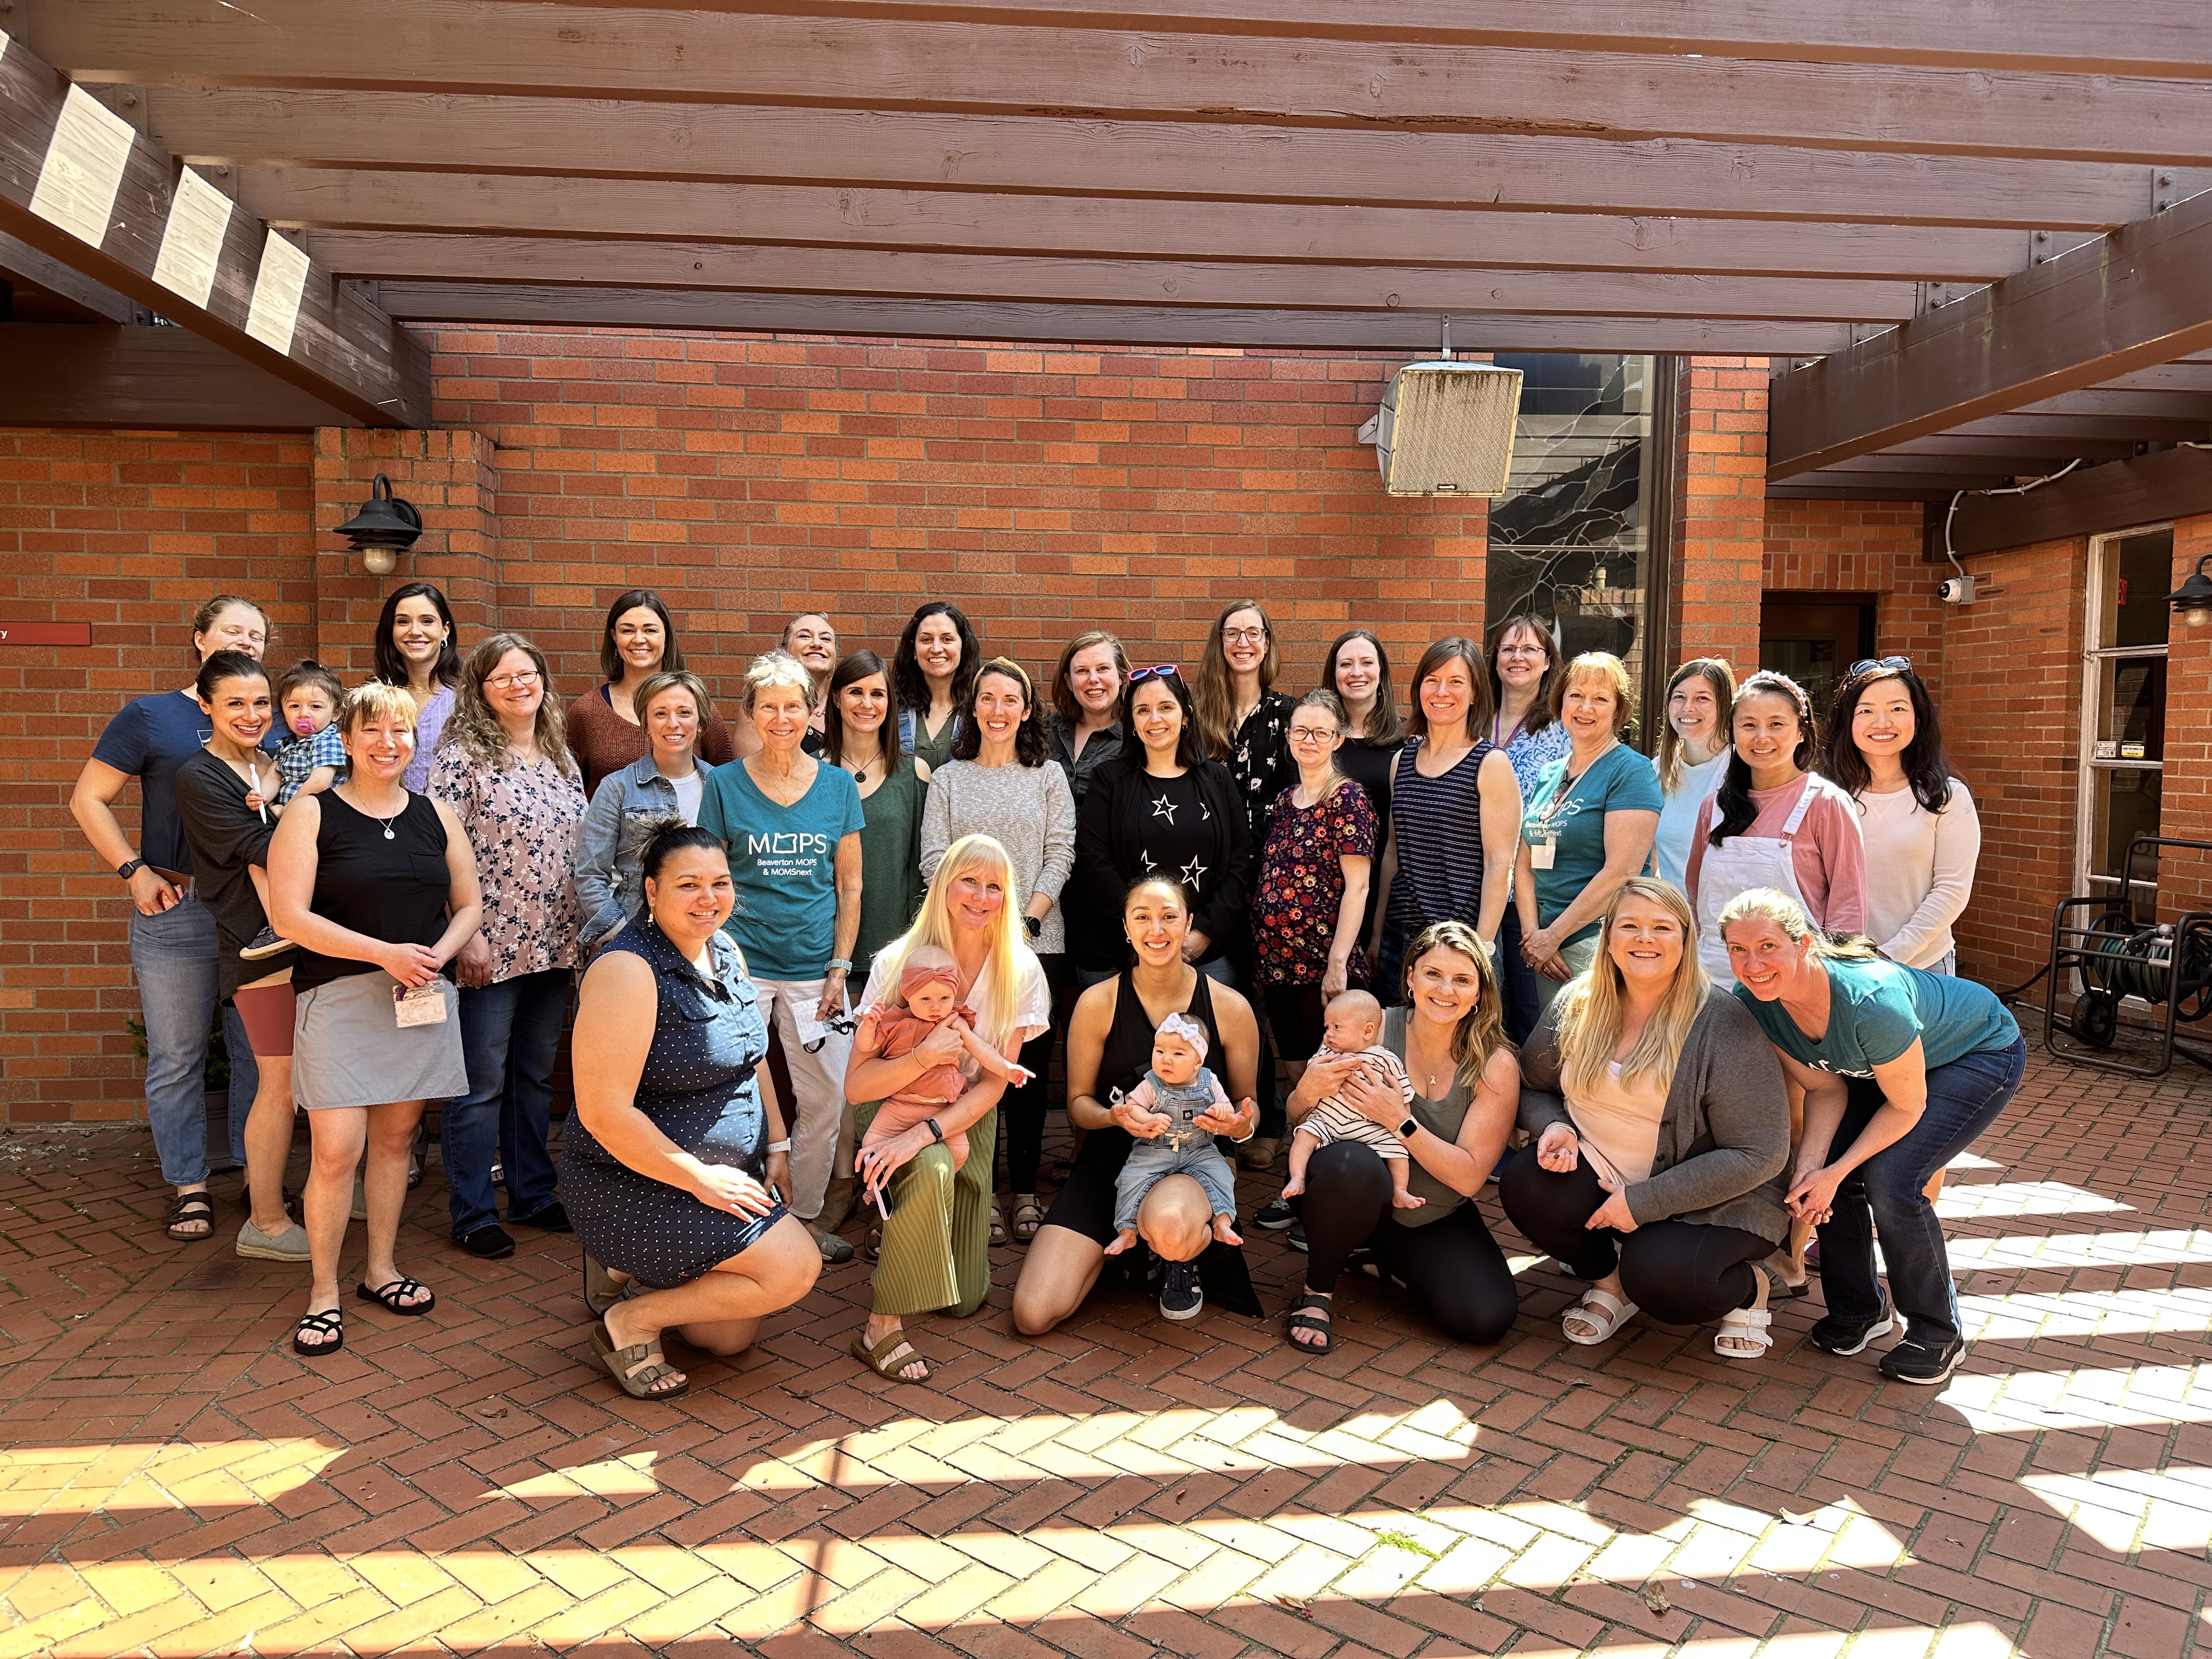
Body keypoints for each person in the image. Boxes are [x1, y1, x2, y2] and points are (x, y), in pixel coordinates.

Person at [1720, 888, 2026, 1385]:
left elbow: (1907, 1106)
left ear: (1803, 944)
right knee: (1827, 1177)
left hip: (1975, 1054)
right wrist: (1813, 1170)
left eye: (1768, 946)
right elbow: (1824, 1088)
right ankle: (1860, 1310)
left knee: (1893, 1181)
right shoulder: (1757, 1001)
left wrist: (1836, 1171)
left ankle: (1937, 1332)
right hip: (1877, 1069)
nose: (1753, 964)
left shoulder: (1871, 1000)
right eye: (1739, 949)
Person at [563, 820, 822, 1398]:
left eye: (720, 883)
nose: (708, 898)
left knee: (725, 1339)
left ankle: (624, 1272)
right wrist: (701, 1180)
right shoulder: (626, 970)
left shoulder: (725, 950)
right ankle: (630, 1320)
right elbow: (604, 1113)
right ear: (652, 891)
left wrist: (777, 1144)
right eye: (688, 885)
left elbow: (753, 1056)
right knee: (793, 1268)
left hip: (712, 1178)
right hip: (636, 1182)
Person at [267, 682, 482, 1357]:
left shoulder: (435, 814)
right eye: (373, 731)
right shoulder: (313, 813)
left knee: (396, 1141)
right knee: (336, 1151)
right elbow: (289, 917)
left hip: (417, 997)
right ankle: (323, 1293)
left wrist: (438, 956)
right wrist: (382, 953)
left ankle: (381, 1270)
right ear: (347, 739)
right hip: (338, 997)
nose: (388, 744)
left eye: (401, 732)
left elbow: (470, 905)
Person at [1501, 878, 1792, 1360]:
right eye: (1629, 926)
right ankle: (1611, 1283)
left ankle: (1749, 1287)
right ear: (1608, 936)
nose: (1644, 939)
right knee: (1526, 1182)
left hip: (1711, 1200)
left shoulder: (1721, 1022)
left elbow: (1760, 1152)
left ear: (1686, 939)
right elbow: (1533, 1085)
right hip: (1604, 1173)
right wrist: (1557, 1126)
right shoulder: (1577, 1002)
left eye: (1662, 927)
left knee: (1664, 1280)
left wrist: (1644, 1202)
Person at [70, 594, 269, 1242]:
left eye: (257, 635)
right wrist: (134, 870)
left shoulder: (269, 718)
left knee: (258, 1053)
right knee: (178, 1055)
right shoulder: (151, 717)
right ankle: (189, 1187)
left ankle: (257, 1177)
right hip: (175, 906)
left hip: (255, 910)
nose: (246, 642)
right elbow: (89, 799)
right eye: (232, 630)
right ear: (199, 639)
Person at [844, 836, 1055, 1383]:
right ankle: (881, 1327)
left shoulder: (1020, 971)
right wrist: (921, 1059)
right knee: (933, 1167)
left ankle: (899, 1220)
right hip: (893, 1104)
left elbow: (994, 1086)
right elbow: (858, 1087)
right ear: (943, 884)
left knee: (963, 1300)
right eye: (969, 881)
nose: (981, 897)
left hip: (966, 1112)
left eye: (995, 886)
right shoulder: (898, 962)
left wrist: (926, 1132)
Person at [1012, 877, 1262, 1334]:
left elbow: (1251, 1109)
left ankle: (1173, 1252)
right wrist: (1112, 1116)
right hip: (1113, 1158)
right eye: (1142, 917)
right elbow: (1078, 1104)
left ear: (1188, 923)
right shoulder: (1098, 1002)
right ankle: (1134, 1245)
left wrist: (1238, 1126)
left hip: (1191, 1159)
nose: (1156, 929)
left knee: (1171, 1226)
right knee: (1033, 1314)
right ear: (1126, 928)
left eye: (1169, 917)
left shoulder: (1230, 1007)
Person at [1281, 921, 1520, 1355]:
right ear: (1410, 977)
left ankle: (1388, 1260)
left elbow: (1469, 1179)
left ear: (1479, 994)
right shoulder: (1369, 1028)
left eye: (1462, 980)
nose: (1445, 990)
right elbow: (1298, 1119)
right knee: (1351, 1165)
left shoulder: (1495, 1063)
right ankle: (1318, 1291)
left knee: (1485, 1318)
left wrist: (1400, 1121)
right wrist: (1306, 1091)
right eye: (1433, 974)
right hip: (1351, 1192)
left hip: (1431, 1213)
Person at [697, 651, 865, 1262]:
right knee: (729, 1093)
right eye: (768, 706)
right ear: (751, 713)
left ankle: (803, 1218)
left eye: (792, 705)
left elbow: (849, 885)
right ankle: (736, 1219)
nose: (781, 717)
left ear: (811, 711)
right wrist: (716, 961)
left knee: (826, 1097)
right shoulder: (724, 785)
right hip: (742, 967)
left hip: (817, 971)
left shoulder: (838, 786)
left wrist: (840, 968)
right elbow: (711, 880)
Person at [428, 633, 589, 1259]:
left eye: (528, 674)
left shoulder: (558, 753)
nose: (519, 686)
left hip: (555, 943)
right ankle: (472, 1212)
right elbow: (442, 849)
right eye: (502, 678)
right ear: (481, 690)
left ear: (543, 681)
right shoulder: (461, 755)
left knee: (533, 1076)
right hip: (489, 945)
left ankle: (531, 1193)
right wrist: (464, 934)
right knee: (480, 1083)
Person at [920, 657, 1076, 1244]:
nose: (998, 710)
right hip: (961, 943)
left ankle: (1026, 1190)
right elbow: (934, 859)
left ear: (1028, 710)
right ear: (973, 707)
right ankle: (979, 1186)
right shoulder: (949, 779)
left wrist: (1025, 922)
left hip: (1037, 941)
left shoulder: (1048, 777)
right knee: (967, 1066)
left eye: (1011, 699)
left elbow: (1060, 852)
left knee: (1023, 1070)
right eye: (987, 698)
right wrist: (975, 921)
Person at [171, 651, 306, 1263]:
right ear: (205, 706)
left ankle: (335, 1192)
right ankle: (266, 1222)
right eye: (235, 703)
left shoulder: (275, 762)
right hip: (259, 949)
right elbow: (262, 846)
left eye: (260, 703)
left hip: (315, 943)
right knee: (278, 1085)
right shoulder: (199, 777)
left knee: (322, 1080)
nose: (252, 715)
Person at [1070, 667, 1251, 986]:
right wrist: (1145, 930)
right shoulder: (1109, 779)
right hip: (1121, 952)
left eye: (1166, 707)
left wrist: (1202, 933)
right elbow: (1094, 862)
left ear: (1186, 716)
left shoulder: (1217, 779)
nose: (1155, 719)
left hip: (1205, 954)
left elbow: (1240, 862)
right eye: (1143, 710)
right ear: (1132, 723)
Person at [1367, 639, 1522, 1000]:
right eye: (1432, 680)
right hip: (1400, 938)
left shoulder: (1490, 764)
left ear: (1474, 693)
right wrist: (1376, 935)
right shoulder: (1402, 761)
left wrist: (1481, 950)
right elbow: (1392, 854)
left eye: (1456, 682)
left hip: (1460, 941)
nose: (1441, 692)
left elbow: (1500, 864)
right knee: (1396, 1032)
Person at [1512, 652, 1662, 1023]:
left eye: (1600, 699)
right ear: (1560, 701)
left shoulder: (1631, 771)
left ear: (1619, 710)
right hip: (1546, 950)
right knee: (1559, 1051)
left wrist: (1554, 936)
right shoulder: (1551, 773)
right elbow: (1525, 862)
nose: (1585, 708)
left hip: (1601, 945)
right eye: (1576, 695)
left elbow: (1623, 871)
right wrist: (1534, 935)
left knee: (1601, 1051)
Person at [1686, 672, 1866, 978]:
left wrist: (1838, 982)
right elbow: (1694, 898)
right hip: (1713, 979)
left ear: (1801, 732)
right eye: (1748, 725)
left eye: (1776, 724)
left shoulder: (1826, 803)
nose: (1762, 737)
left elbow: (1848, 908)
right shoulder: (1714, 806)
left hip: (1794, 984)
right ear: (1733, 732)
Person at [1824, 659, 1982, 975]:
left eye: (1897, 709)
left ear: (1918, 719)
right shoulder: (1825, 797)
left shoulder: (1947, 797)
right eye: (1866, 711)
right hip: (1838, 965)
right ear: (1847, 722)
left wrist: (1890, 954)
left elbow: (1951, 890)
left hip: (1923, 967)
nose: (1882, 722)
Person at [1250, 690, 1375, 1070]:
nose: (1310, 740)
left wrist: (1338, 964)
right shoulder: (1285, 800)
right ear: (1288, 736)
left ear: (1337, 739)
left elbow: (1359, 887)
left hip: (1322, 965)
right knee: (1296, 1071)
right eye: (1301, 731)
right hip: (1277, 964)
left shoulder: (1347, 799)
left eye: (1321, 732)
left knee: (1333, 1075)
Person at [574, 669, 718, 957]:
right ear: (646, 724)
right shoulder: (617, 788)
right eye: (660, 714)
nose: (673, 723)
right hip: (637, 937)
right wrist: (625, 938)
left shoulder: (721, 785)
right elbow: (590, 876)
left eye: (684, 712)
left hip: (709, 940)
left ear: (701, 722)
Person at [855, 944, 1034, 1174]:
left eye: (945, 998)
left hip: (943, 1108)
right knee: (871, 1144)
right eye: (926, 998)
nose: (936, 1006)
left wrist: (1007, 1069)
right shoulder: (895, 1021)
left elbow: (982, 1050)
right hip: (900, 1105)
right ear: (908, 994)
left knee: (960, 1152)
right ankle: (875, 1188)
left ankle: (943, 1184)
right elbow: (866, 1046)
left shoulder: (954, 1021)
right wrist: (868, 1025)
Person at [565, 589, 743, 798]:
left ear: (666, 636)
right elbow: (567, 791)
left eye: (650, 630)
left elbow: (725, 786)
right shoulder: (586, 711)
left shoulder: (695, 707)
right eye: (628, 631)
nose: (639, 639)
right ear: (614, 637)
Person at [822, 650, 929, 995]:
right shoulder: (809, 772)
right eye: (856, 692)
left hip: (894, 950)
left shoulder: (915, 773)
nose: (867, 704)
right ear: (836, 698)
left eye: (878, 694)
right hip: (821, 949)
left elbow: (922, 868)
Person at [1484, 616, 1571, 1036]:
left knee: (1529, 1021)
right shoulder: (1473, 722)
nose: (1517, 657)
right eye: (1508, 649)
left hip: (1528, 898)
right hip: (1475, 889)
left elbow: (1561, 819)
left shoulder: (1562, 732)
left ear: (1548, 661)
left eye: (1530, 649)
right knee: (1481, 1017)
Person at [1104, 1012, 1242, 1262]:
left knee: (1221, 1174)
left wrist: (1222, 1110)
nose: (1166, 1059)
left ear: (1198, 1061)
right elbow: (1133, 1106)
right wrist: (1147, 1118)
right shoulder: (1152, 1083)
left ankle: (1222, 1222)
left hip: (1199, 1149)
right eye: (1159, 1051)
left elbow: (1227, 1107)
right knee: (1132, 1178)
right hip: (1155, 1149)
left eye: (1178, 1054)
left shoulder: (1209, 1081)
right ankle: (1127, 1230)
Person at [1280, 990, 1420, 1213]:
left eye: (1337, 1027)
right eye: (1327, 1027)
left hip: (1370, 1127)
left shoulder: (1386, 1059)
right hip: (1328, 1121)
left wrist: (1402, 1121)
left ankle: (1400, 1191)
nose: (1328, 1034)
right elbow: (1312, 1073)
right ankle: (1298, 1177)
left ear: (1367, 1031)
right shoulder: (1327, 1051)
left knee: (1397, 1151)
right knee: (1304, 1135)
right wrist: (1336, 1060)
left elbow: (1402, 1094)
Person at [1321, 628, 1406, 946]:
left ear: (1381, 672)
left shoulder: (1407, 740)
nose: (1357, 672)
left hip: (1385, 885)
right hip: (1322, 887)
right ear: (1334, 674)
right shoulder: (1319, 738)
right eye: (1346, 664)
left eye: (1367, 662)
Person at [1654, 659, 1737, 891]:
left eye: (1702, 698)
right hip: (1674, 910)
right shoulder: (1657, 771)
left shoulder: (1744, 769)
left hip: (1728, 911)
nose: (1688, 707)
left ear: (1724, 705)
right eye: (1679, 697)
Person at [371, 583, 463, 794]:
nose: (415, 631)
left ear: (445, 630)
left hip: (452, 813)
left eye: (427, 621)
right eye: (403, 621)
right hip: (388, 812)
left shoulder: (468, 697)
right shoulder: (376, 700)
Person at [893, 601, 980, 773]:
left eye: (947, 639)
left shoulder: (981, 709)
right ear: (914, 650)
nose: (936, 649)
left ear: (963, 647)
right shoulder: (892, 708)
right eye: (926, 639)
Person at [1046, 630, 1128, 809]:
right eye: (1082, 671)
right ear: (1069, 681)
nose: (1093, 679)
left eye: (1103, 668)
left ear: (1121, 676)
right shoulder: (1047, 730)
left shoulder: (1137, 736)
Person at [268, 659, 347, 811]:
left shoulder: (329, 741)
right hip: (291, 815)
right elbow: (273, 776)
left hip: (321, 814)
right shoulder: (287, 745)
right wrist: (262, 796)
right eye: (294, 706)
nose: (304, 713)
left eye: (315, 706)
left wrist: (287, 811)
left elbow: (319, 783)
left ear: (336, 714)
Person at [782, 612, 839, 750]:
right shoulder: (762, 706)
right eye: (805, 636)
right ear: (784, 651)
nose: (817, 644)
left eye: (826, 638)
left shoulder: (844, 711)